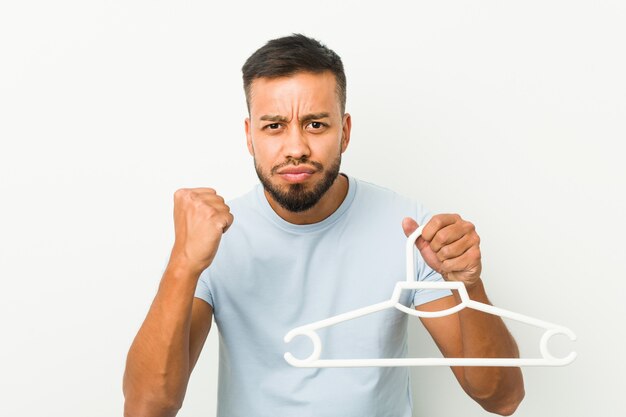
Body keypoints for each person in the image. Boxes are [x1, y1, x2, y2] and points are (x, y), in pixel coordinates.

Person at [123, 34, 525, 417]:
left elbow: (502, 399)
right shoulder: (215, 239)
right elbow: (147, 409)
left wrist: (469, 283)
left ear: (344, 132)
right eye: (274, 126)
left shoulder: (408, 230)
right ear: (250, 137)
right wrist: (183, 264)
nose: (296, 147)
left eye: (315, 124)